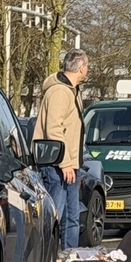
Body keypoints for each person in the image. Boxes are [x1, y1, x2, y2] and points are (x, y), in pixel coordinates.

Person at [33, 48, 89, 249]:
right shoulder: (59, 92)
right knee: (56, 216)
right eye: (86, 66)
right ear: (81, 68)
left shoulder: (72, 91)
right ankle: (50, 260)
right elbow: (54, 128)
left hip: (70, 165)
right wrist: (65, 162)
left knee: (72, 218)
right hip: (58, 166)